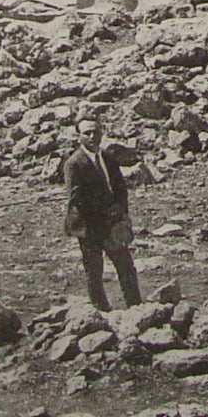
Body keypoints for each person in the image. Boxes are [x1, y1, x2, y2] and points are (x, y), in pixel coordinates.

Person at [63, 117, 142, 311]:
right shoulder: (73, 163)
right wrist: (105, 213)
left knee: (125, 265)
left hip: (111, 222)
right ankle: (100, 312)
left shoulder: (108, 157)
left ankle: (136, 307)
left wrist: (121, 209)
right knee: (94, 271)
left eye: (96, 132)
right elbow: (78, 199)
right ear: (79, 137)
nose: (92, 137)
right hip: (88, 225)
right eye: (87, 133)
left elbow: (120, 187)